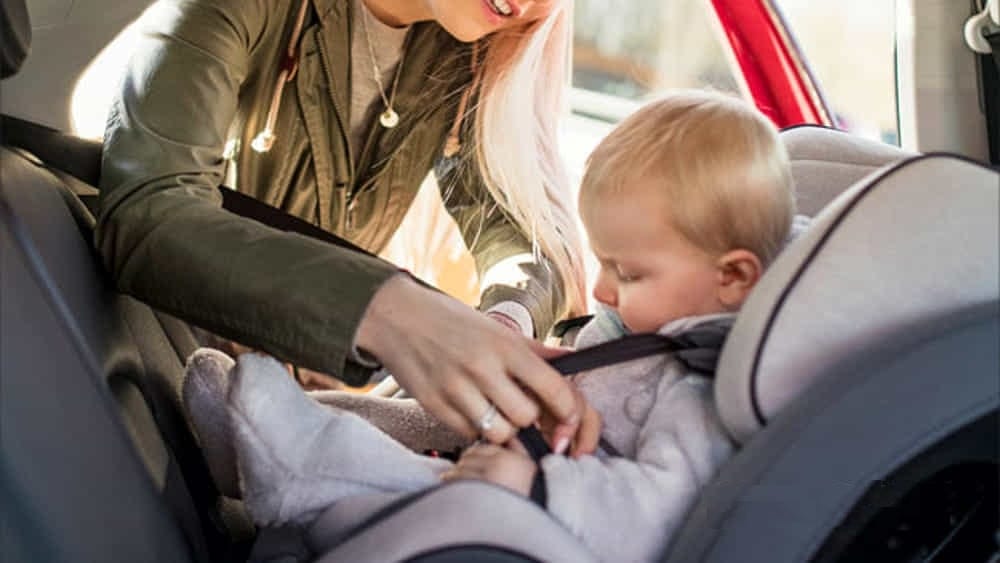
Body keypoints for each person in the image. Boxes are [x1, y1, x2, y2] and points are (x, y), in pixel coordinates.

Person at [184, 89, 800, 562]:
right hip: (525, 453)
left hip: (548, 510)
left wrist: (538, 488)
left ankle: (282, 455)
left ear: (735, 277)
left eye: (629, 273)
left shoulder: (699, 390)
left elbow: (662, 517)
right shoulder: (654, 334)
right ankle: (280, 440)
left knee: (416, 484)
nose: (602, 289)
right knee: (416, 416)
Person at [96, 0, 597, 446]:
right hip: (160, 367)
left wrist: (501, 326)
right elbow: (149, 213)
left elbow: (522, 231)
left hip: (288, 393)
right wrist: (390, 314)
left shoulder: (471, 52)